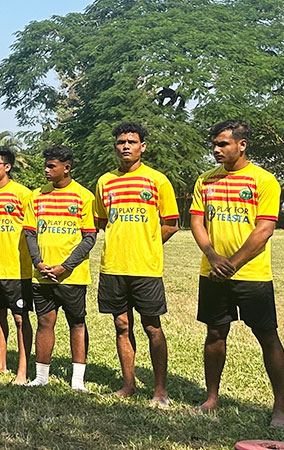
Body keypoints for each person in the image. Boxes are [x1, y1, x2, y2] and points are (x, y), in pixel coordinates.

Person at [189, 120, 284, 429]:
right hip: (213, 272)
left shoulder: (264, 180)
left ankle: (280, 408)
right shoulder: (205, 181)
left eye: (223, 144)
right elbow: (196, 222)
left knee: (267, 336)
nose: (216, 150)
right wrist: (213, 256)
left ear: (241, 145)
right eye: (215, 145)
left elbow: (265, 229)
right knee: (215, 333)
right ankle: (211, 397)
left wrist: (233, 262)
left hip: (252, 275)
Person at [93, 121, 178, 408]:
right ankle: (128, 385)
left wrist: (149, 244)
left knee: (152, 327)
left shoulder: (157, 180)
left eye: (131, 141)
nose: (126, 146)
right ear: (115, 146)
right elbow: (102, 221)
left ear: (143, 146)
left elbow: (171, 224)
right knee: (121, 325)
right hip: (113, 267)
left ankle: (160, 390)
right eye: (120, 142)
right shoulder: (104, 182)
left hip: (146, 268)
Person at [22, 146, 95, 391]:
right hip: (42, 275)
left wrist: (66, 266)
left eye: (51, 166)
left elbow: (89, 238)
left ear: (67, 168)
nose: (46, 169)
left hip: (71, 276)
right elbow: (30, 233)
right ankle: (41, 376)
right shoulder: (36, 196)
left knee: (76, 323)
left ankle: (78, 381)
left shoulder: (83, 196)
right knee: (44, 322)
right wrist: (38, 262)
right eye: (46, 164)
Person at [0, 146, 35, 384]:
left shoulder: (23, 194)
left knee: (20, 319)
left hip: (17, 269)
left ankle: (22, 370)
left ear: (7, 167)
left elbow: (32, 232)